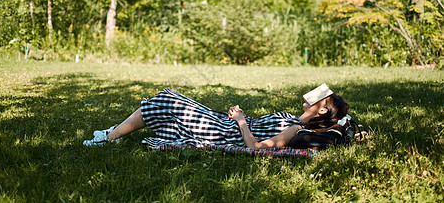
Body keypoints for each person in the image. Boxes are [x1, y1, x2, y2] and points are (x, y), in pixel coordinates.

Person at [83, 88, 349, 149]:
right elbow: (342, 125)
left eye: (319, 100)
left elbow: (256, 148)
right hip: (225, 123)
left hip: (226, 131)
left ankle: (109, 137)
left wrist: (242, 121)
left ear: (322, 110)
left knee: (167, 99)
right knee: (167, 97)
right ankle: (114, 133)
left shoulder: (294, 129)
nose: (311, 98)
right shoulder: (296, 120)